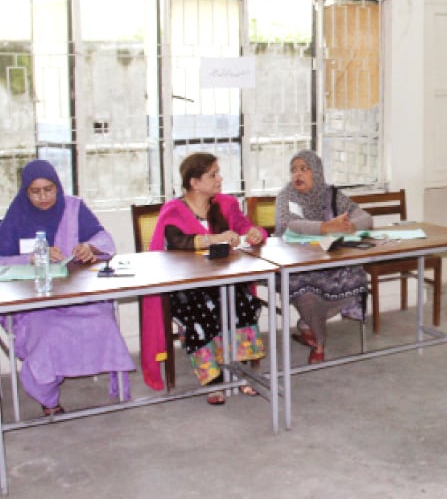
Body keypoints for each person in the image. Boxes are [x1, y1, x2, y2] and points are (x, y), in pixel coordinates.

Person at [0, 160, 134, 415]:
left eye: (49, 189)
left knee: (102, 321)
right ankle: (48, 400)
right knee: (48, 334)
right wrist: (29, 258)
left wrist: (89, 248)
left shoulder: (73, 207)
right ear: (25, 192)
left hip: (75, 296)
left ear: (58, 186)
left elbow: (104, 239)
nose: (43, 197)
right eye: (35, 191)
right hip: (33, 304)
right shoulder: (16, 216)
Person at [140, 152, 266, 404]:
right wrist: (215, 239)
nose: (220, 178)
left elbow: (247, 228)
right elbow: (178, 242)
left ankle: (241, 372)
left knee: (241, 301)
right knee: (201, 311)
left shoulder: (225, 204)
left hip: (222, 281)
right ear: (194, 182)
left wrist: (254, 233)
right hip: (187, 287)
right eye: (213, 174)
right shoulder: (174, 210)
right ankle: (214, 379)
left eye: (218, 172)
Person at [275, 150, 373, 364]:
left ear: (316, 172)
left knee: (357, 278)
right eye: (293, 170)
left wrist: (351, 226)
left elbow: (366, 217)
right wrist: (325, 227)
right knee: (306, 292)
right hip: (296, 265)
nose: (297, 175)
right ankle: (319, 341)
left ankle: (307, 324)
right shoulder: (286, 196)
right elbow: (287, 224)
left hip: (330, 261)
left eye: (303, 169)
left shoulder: (331, 195)